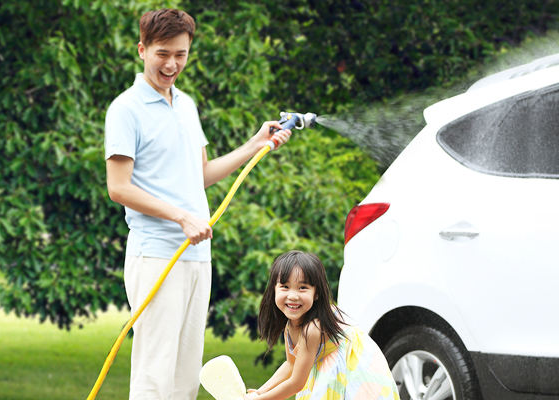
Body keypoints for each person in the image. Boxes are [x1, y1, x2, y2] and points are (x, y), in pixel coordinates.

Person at [103, 8, 292, 400]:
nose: (172, 64)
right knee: (155, 375)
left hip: (196, 256)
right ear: (142, 50)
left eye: (181, 54)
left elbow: (201, 174)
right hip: (156, 255)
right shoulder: (125, 109)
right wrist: (182, 217)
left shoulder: (186, 104)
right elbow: (118, 188)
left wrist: (255, 144)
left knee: (186, 376)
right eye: (162, 53)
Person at [247, 251, 400, 400]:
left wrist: (261, 399)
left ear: (317, 293)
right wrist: (260, 391)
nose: (293, 296)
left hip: (355, 370)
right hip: (330, 368)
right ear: (274, 289)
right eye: (285, 287)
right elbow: (291, 364)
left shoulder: (312, 329)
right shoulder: (291, 324)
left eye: (302, 288)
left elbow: (297, 383)